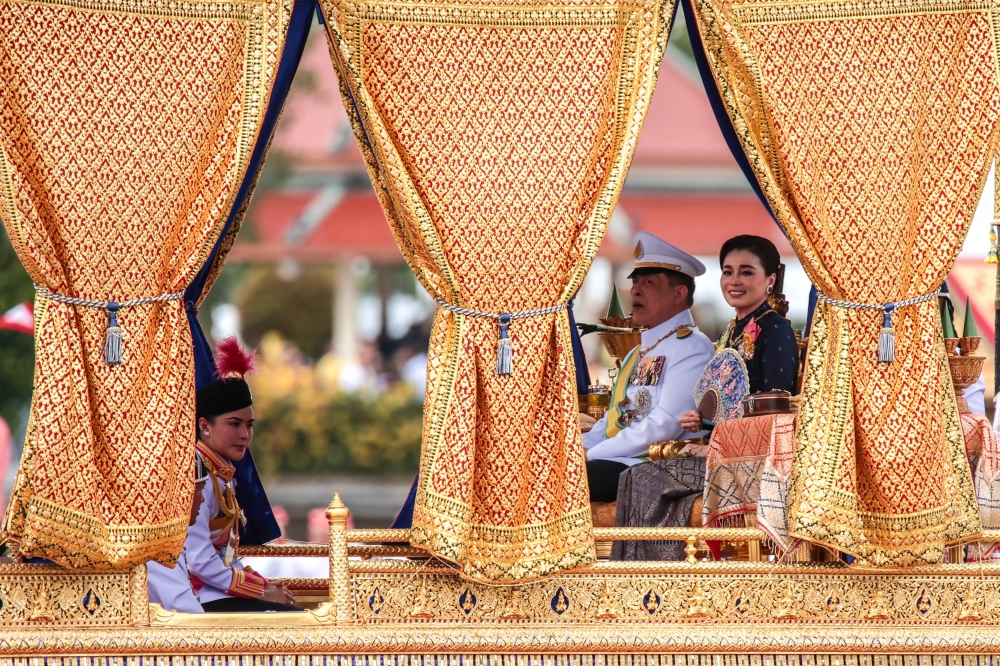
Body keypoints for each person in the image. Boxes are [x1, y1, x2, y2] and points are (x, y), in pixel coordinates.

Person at [614, 235, 799, 560]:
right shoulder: (731, 331)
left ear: (770, 280)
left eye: (746, 272)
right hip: (718, 454)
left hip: (748, 462)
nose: (734, 281)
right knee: (632, 476)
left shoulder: (776, 330)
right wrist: (702, 420)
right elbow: (725, 404)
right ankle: (635, 577)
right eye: (728, 272)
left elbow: (775, 413)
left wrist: (711, 445)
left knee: (643, 478)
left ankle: (665, 578)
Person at [581, 232, 715, 525]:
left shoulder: (692, 347)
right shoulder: (637, 352)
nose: (636, 291)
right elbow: (614, 418)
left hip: (654, 464)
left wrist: (592, 454)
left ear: (679, 294)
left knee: (569, 481)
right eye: (635, 282)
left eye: (649, 283)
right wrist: (581, 446)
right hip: (618, 458)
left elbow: (664, 424)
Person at [186, 338, 300, 612]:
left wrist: (263, 586)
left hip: (217, 590)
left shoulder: (222, 473)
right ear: (204, 425)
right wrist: (260, 590)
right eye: (234, 424)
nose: (244, 435)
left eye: (249, 425)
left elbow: (225, 558)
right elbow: (200, 561)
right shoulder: (199, 473)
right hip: (196, 598)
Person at [146, 452, 211, 613]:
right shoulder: (158, 546)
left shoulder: (167, 541)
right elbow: (188, 615)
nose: (202, 499)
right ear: (183, 494)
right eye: (199, 490)